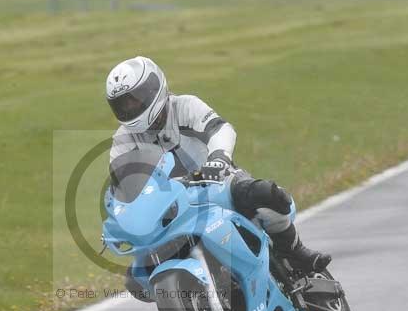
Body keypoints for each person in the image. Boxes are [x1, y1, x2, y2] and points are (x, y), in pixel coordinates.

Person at [105, 56, 331, 297]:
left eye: (135, 99)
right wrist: (121, 218)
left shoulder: (185, 106)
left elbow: (220, 129)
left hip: (216, 182)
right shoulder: (123, 140)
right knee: (136, 279)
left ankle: (295, 252)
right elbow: (122, 183)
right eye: (123, 104)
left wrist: (219, 157)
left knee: (266, 196)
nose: (130, 108)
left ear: (154, 88)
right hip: (172, 208)